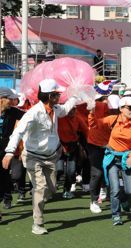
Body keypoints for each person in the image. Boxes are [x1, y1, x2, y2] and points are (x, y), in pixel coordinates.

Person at [2, 79, 79, 235]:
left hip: (51, 156)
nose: (59, 95)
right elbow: (18, 132)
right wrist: (10, 152)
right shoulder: (33, 113)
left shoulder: (56, 108)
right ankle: (38, 223)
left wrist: (75, 95)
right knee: (40, 187)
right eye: (57, 94)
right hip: (33, 156)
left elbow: (65, 109)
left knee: (51, 189)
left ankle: (39, 203)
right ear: (50, 96)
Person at [101, 96, 131, 226]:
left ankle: (124, 200)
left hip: (127, 159)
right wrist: (92, 110)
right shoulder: (111, 120)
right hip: (112, 158)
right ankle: (116, 215)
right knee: (114, 189)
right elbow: (95, 126)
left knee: (129, 190)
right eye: (130, 108)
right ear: (121, 109)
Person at [0, 88, 25, 222]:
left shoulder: (13, 112)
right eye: (10, 99)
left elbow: (29, 116)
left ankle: (7, 197)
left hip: (5, 151)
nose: (13, 101)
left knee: (4, 176)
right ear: (3, 99)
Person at [57, 106, 88, 199]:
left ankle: (67, 190)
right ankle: (51, 186)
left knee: (71, 171)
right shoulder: (59, 118)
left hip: (72, 147)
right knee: (59, 170)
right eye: (70, 109)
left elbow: (86, 131)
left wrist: (93, 142)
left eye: (74, 109)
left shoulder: (78, 118)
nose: (72, 111)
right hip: (59, 146)